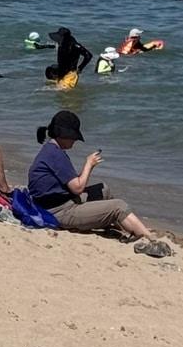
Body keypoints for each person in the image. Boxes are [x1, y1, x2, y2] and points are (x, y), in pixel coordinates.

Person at [27, 110, 173, 257]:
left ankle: (124, 225)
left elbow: (70, 185)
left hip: (59, 202)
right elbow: (77, 187)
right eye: (73, 138)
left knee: (104, 190)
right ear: (64, 135)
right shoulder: (55, 155)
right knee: (118, 206)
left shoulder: (51, 150)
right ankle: (148, 238)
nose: (74, 141)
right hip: (58, 211)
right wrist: (89, 164)